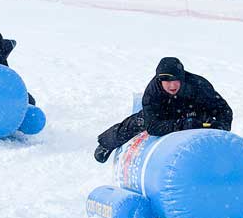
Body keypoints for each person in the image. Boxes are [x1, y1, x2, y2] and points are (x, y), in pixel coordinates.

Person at [94, 57, 233, 163]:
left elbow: (224, 109)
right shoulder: (152, 93)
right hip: (165, 115)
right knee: (139, 121)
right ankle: (106, 143)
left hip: (193, 111)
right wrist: (181, 125)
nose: (172, 85)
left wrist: (221, 126)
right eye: (166, 80)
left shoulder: (198, 85)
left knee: (208, 120)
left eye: (176, 79)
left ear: (182, 77)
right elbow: (153, 127)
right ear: (159, 80)